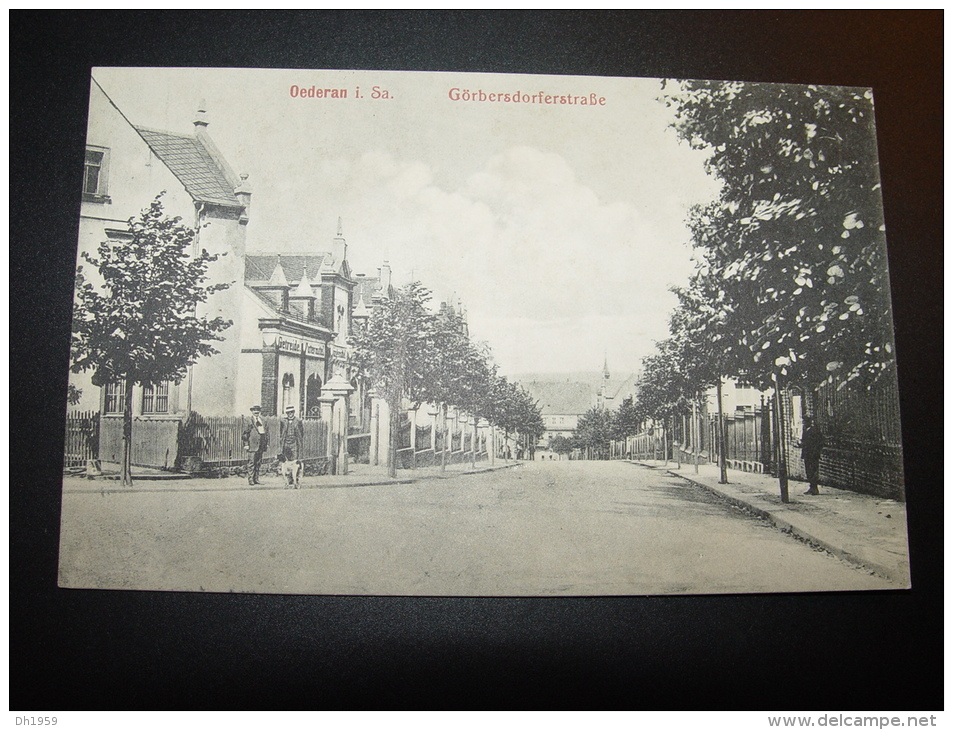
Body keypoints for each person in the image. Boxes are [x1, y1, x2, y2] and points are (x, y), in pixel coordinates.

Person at [242, 405, 269, 485]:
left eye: (258, 410)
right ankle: (251, 480)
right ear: (252, 411)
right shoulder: (248, 420)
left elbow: (267, 433)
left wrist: (266, 443)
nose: (256, 412)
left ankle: (256, 479)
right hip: (252, 445)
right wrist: (246, 444)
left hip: (261, 445)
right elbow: (245, 434)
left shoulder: (263, 420)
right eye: (254, 410)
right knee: (251, 463)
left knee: (258, 463)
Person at [799, 416, 824, 496]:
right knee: (808, 472)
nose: (803, 424)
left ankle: (815, 488)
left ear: (808, 422)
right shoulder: (805, 430)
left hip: (813, 454)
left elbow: (820, 442)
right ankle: (811, 487)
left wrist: (816, 451)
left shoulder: (814, 431)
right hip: (807, 454)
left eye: (805, 422)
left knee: (813, 471)